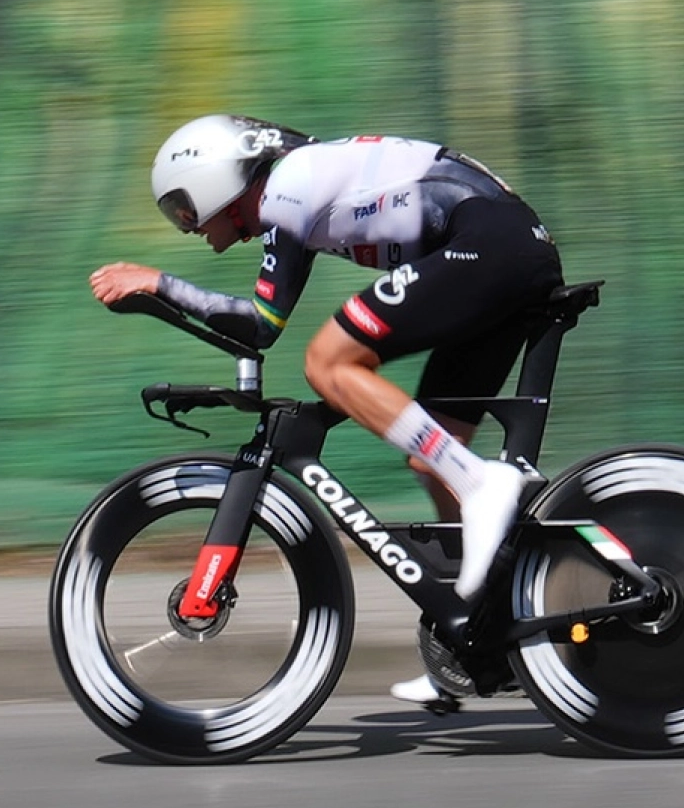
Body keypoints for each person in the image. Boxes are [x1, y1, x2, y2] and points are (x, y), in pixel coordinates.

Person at [88, 114, 564, 706]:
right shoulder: (299, 191)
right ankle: (478, 637)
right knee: (431, 461)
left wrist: (159, 283)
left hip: (490, 246)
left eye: (184, 209)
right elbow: (257, 327)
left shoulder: (288, 187)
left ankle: (482, 484)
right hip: (499, 247)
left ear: (216, 178)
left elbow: (261, 325)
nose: (189, 227)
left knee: (328, 362)